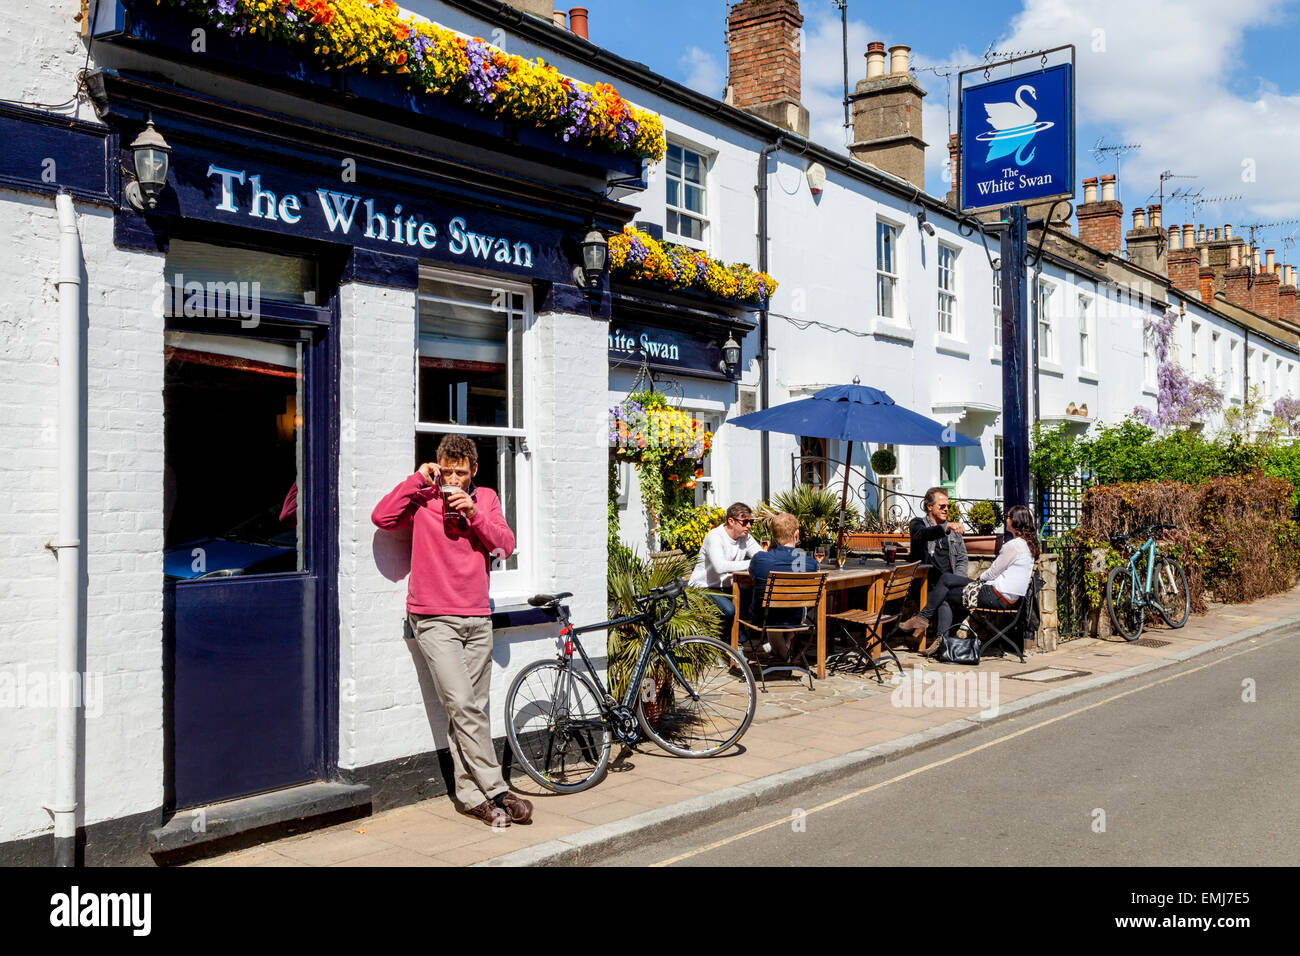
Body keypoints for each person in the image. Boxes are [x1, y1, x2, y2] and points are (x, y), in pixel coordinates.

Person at [371, 435, 531, 828]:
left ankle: (470, 794)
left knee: (472, 708)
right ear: (438, 468)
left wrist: (475, 513)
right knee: (461, 703)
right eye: (447, 472)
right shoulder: (424, 497)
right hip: (432, 617)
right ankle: (497, 788)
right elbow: (382, 518)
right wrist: (416, 480)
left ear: (474, 471)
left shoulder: (487, 498)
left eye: (461, 473)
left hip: (477, 616)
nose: (454, 480)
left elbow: (505, 545)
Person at [902, 504, 1040, 642]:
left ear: (1016, 521)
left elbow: (992, 572)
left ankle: (939, 638)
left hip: (995, 595)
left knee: (943, 593)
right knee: (946, 579)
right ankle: (929, 626)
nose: (1006, 519)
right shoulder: (1028, 544)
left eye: (1008, 516)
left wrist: (979, 579)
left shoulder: (1013, 545)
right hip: (1007, 598)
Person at [746, 512, 819, 657]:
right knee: (791, 611)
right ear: (796, 535)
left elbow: (754, 577)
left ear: (773, 535)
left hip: (764, 617)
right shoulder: (810, 563)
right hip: (796, 617)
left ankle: (781, 655)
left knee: (773, 612)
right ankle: (784, 655)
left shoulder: (760, 560)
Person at [905, 487, 969, 635]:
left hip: (949, 584)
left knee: (947, 594)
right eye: (942, 506)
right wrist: (945, 527)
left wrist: (957, 579)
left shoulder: (954, 530)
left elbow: (962, 559)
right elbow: (922, 534)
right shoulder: (917, 523)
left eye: (948, 506)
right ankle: (944, 645)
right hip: (925, 585)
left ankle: (940, 641)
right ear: (929, 507)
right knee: (943, 599)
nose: (946, 509)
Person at [688, 501, 763, 624]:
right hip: (704, 588)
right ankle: (729, 641)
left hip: (729, 587)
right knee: (729, 610)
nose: (749, 526)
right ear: (731, 521)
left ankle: (741, 639)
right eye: (744, 522)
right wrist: (753, 563)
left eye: (751, 522)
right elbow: (720, 567)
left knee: (759, 600)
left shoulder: (746, 537)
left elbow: (761, 557)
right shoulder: (715, 537)